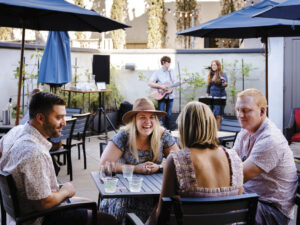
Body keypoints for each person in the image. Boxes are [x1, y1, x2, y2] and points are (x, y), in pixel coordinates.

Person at [0, 92, 116, 225]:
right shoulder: (34, 152)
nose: (64, 123)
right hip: (40, 218)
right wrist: (65, 191)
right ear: (40, 118)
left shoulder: (15, 132)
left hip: (17, 215)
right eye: (59, 117)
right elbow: (44, 203)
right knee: (108, 220)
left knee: (88, 204)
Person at [146, 101, 244, 225]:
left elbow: (163, 214)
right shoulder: (234, 157)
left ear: (184, 128)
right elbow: (237, 209)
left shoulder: (178, 160)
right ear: (212, 125)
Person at [99, 97, 179, 224]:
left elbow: (178, 163)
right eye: (142, 117)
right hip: (127, 194)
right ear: (134, 119)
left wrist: (159, 167)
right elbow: (104, 164)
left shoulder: (163, 135)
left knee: (170, 211)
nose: (148, 122)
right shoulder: (124, 136)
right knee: (122, 211)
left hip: (156, 195)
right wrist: (136, 168)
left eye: (152, 117)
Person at [233, 88, 297, 225]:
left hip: (272, 210)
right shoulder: (244, 133)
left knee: (217, 209)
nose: (239, 115)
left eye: (245, 110)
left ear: (262, 111)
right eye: (238, 110)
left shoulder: (270, 139)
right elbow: (231, 162)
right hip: (251, 198)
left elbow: (237, 177)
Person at [148, 56, 179, 130]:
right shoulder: (157, 72)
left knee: (169, 115)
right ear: (163, 63)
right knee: (161, 115)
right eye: (167, 63)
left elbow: (175, 82)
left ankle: (168, 131)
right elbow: (150, 83)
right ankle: (160, 130)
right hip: (161, 95)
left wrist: (177, 83)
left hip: (170, 95)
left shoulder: (172, 71)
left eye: (169, 63)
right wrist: (161, 87)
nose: (169, 64)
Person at [206, 59, 228, 130]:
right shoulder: (211, 74)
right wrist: (207, 95)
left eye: (215, 65)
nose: (213, 66)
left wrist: (223, 81)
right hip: (212, 97)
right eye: (212, 65)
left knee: (218, 115)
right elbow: (209, 86)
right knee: (211, 115)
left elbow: (225, 84)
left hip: (220, 97)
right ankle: (212, 132)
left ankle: (218, 133)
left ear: (218, 66)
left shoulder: (222, 74)